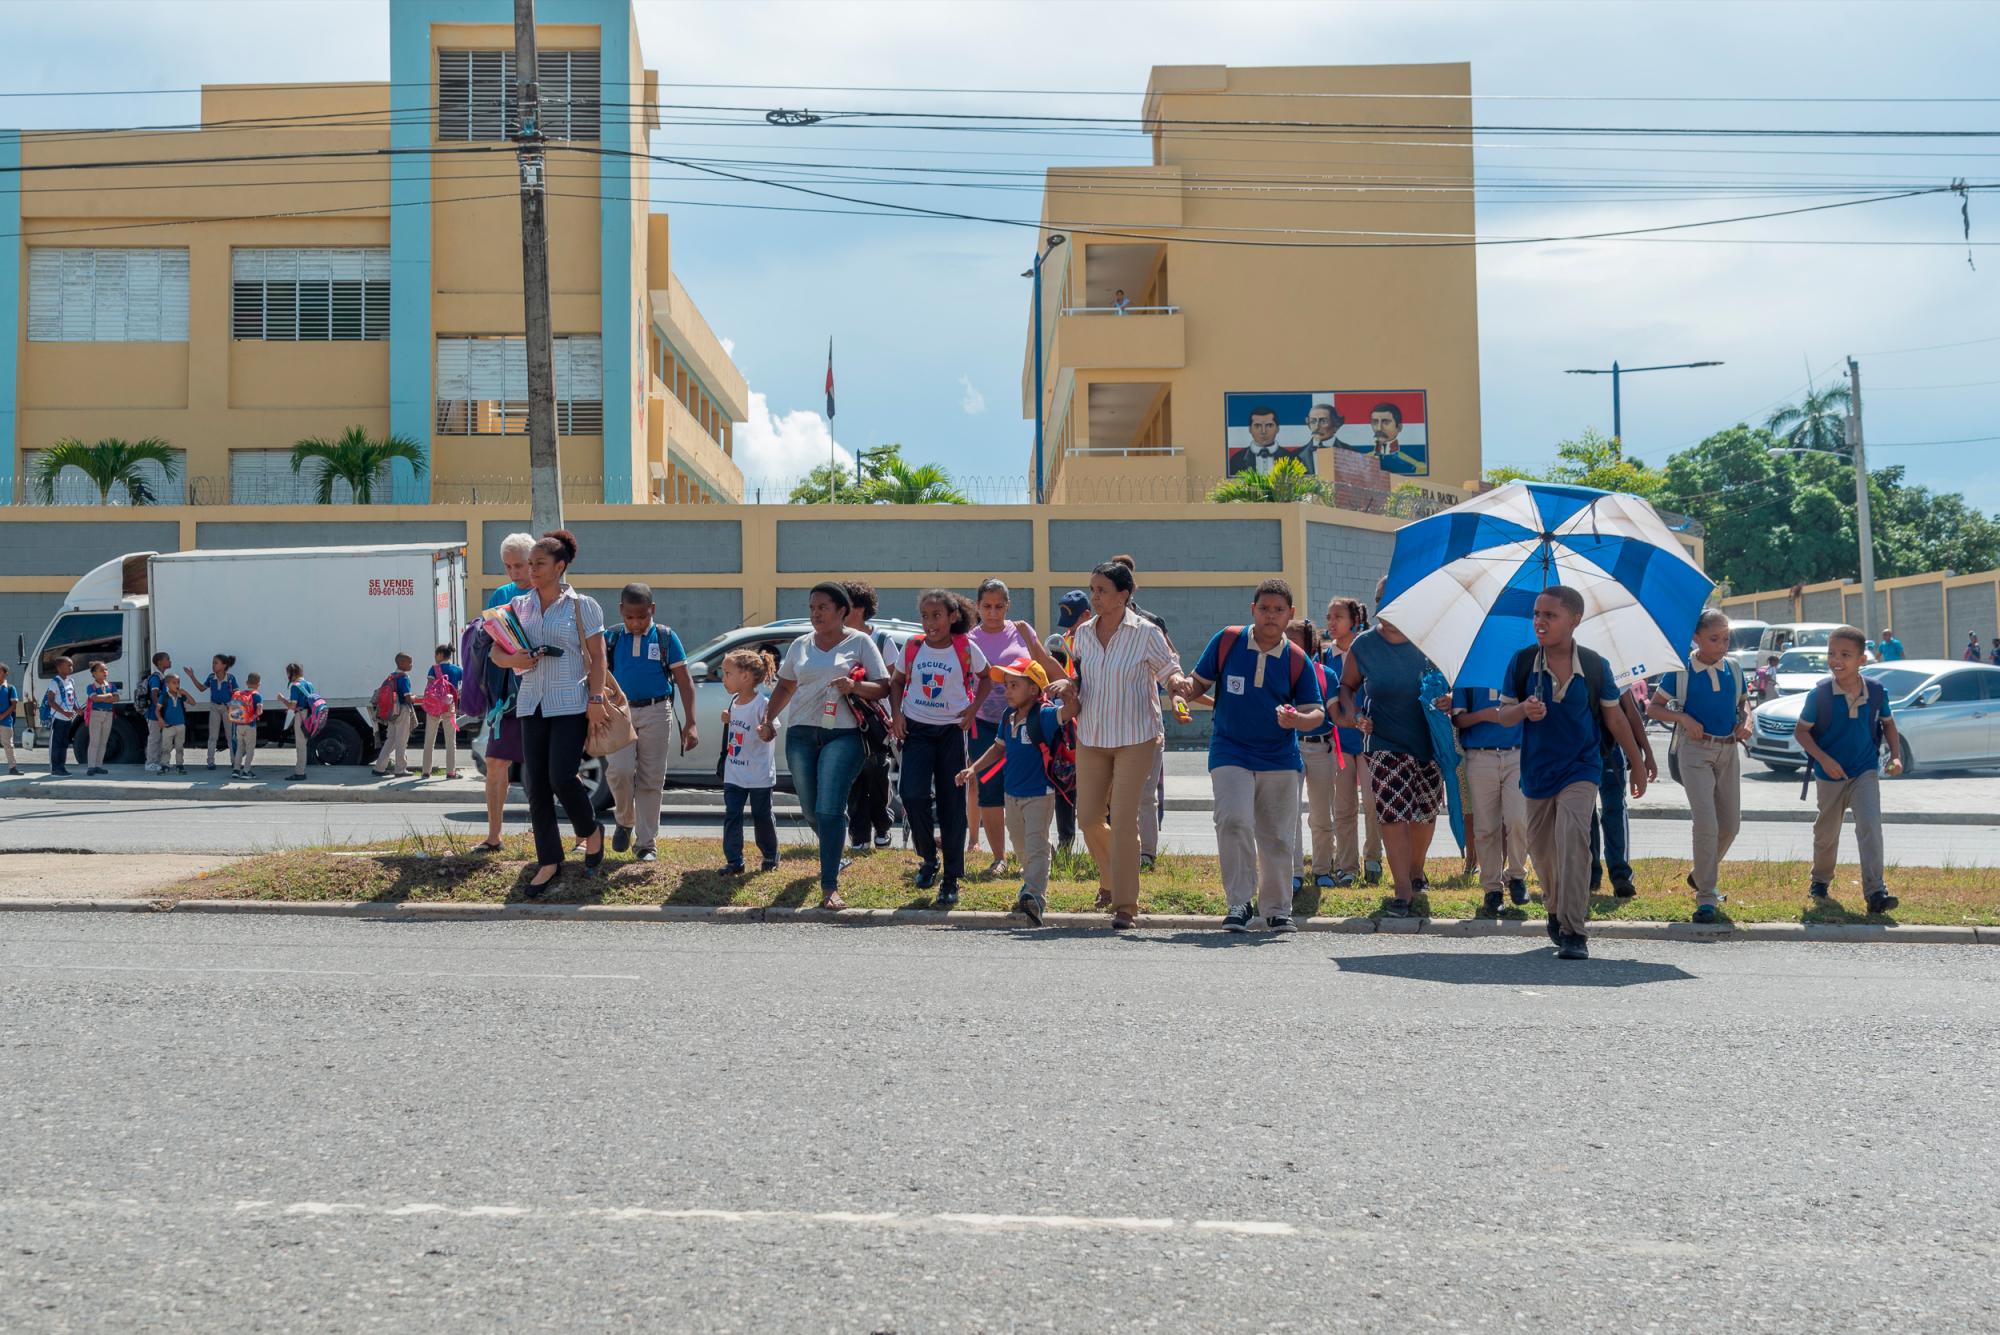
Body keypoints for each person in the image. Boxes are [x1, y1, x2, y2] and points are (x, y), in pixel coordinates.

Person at [1488, 586, 1650, 961]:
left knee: (1575, 838)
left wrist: (1637, 763)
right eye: (1536, 614)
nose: (1540, 621)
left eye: (1550, 615)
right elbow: (1503, 714)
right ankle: (1556, 908)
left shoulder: (1595, 665)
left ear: (1575, 620)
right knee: (1543, 854)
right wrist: (1524, 710)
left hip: (1582, 767)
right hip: (1538, 771)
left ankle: (1575, 930)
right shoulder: (1523, 662)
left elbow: (1614, 716)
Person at [1047, 561, 1190, 930]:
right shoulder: (1082, 634)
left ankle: (1125, 904)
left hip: (1136, 738)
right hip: (1092, 736)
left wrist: (1177, 689)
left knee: (1124, 820)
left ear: (1123, 595)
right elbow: (1078, 676)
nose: (1094, 596)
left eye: (1102, 591)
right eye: (1092, 589)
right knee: (1089, 818)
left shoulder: (1146, 633)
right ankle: (1112, 876)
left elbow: (1169, 669)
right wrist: (1068, 686)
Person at [1182, 578, 1326, 934]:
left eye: (1279, 610)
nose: (1271, 616)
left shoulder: (1296, 659)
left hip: (1279, 757)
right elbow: (1196, 684)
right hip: (1230, 749)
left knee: (1277, 835)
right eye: (1264, 609)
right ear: (1253, 610)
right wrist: (1182, 689)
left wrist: (1297, 719)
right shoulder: (1228, 640)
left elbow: (1317, 713)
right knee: (1233, 820)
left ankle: (1277, 909)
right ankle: (1239, 903)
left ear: (1290, 615)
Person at [490, 530, 609, 896]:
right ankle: (549, 860)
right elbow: (497, 654)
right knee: (534, 785)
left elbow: (599, 656)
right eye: (530, 564)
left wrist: (596, 700)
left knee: (561, 776)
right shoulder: (519, 607)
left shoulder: (582, 605)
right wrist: (515, 659)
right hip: (530, 703)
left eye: (539, 563)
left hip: (571, 703)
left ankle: (590, 830)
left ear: (560, 566)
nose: (531, 569)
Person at [759, 581, 890, 911]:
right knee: (811, 809)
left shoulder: (859, 642)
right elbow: (786, 686)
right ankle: (837, 848)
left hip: (844, 735)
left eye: (823, 608)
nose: (816, 614)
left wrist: (855, 685)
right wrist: (767, 720)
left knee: (831, 808)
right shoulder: (801, 645)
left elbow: (884, 687)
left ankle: (829, 884)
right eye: (812, 608)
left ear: (842, 611)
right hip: (801, 733)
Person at [1336, 584, 1442, 917]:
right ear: (1378, 604)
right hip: (1383, 742)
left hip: (1429, 741)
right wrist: (1355, 715)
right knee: (1392, 812)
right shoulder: (1364, 645)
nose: (1391, 605)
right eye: (1385, 599)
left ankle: (1415, 870)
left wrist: (1451, 700)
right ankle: (1402, 891)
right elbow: (1346, 687)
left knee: (1425, 813)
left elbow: (1453, 682)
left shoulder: (1430, 640)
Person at [1649, 610, 1752, 925]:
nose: (1722, 644)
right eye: (1714, 638)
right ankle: (1706, 898)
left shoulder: (1732, 669)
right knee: (1706, 823)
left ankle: (1700, 874)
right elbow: (1653, 707)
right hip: (1694, 751)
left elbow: (1743, 704)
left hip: (1728, 751)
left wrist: (1746, 720)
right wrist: (1683, 717)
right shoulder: (1680, 672)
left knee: (1730, 826)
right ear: (1696, 637)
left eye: (1725, 638)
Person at [959, 657, 1075, 926]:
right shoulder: (1007, 717)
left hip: (1040, 794)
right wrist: (973, 769)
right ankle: (1030, 882)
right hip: (1011, 794)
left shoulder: (1044, 715)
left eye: (1014, 685)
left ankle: (1035, 896)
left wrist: (1068, 691)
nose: (1007, 690)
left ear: (1034, 689)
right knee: (1021, 844)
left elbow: (1071, 711)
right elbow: (998, 748)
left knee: (1035, 845)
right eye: (1006, 685)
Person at [891, 589, 989, 908]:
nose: (930, 622)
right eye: (925, 616)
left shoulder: (965, 647)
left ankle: (950, 879)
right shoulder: (913, 646)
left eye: (937, 616)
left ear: (952, 617)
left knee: (952, 805)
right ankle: (929, 858)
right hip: (917, 729)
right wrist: (897, 714)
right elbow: (896, 682)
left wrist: (973, 710)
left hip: (951, 730)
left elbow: (987, 678)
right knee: (912, 795)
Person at [1796, 626, 1903, 916]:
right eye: (1831, 653)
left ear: (1862, 660)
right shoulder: (1819, 695)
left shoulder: (1877, 692)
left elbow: (1889, 725)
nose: (1836, 659)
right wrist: (1823, 759)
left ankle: (1875, 891)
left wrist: (1895, 756)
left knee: (1870, 825)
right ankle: (1820, 881)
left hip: (1865, 770)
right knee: (1826, 832)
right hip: (1829, 775)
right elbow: (1802, 732)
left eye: (1845, 654)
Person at [965, 578, 1058, 876]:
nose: (993, 613)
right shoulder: (969, 639)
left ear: (1008, 606)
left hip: (1025, 720)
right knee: (989, 788)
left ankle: (1036, 848)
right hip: (984, 723)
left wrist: (1068, 684)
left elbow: (1043, 663)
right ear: (977, 606)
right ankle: (999, 857)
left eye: (999, 606)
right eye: (987, 607)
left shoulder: (1021, 630)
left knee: (1030, 787)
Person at [604, 583, 697, 864]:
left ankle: (646, 843)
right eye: (629, 617)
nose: (635, 623)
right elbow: (600, 676)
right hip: (620, 713)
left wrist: (690, 722)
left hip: (657, 711)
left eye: (641, 617)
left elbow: (684, 681)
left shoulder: (667, 637)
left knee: (651, 778)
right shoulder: (612, 637)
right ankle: (624, 820)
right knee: (619, 771)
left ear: (652, 610)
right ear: (621, 611)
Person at [1305, 597, 1382, 889]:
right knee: (1343, 807)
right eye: (1328, 617)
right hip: (1339, 742)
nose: (1331, 622)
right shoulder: (1324, 658)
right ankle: (1347, 866)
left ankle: (1373, 858)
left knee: (1373, 804)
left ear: (1355, 620)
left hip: (1371, 740)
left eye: (1338, 616)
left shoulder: (1369, 651)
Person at [1107, 555, 1172, 871]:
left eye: (1125, 583)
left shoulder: (1151, 624)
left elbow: (1170, 662)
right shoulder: (1096, 625)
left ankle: (1147, 854)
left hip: (1144, 721)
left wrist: (1178, 688)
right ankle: (1117, 852)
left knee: (1146, 794)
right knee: (1113, 797)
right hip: (1107, 726)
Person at [474, 531, 537, 853]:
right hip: (508, 700)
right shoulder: (501, 595)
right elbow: (491, 649)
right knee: (496, 763)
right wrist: (514, 659)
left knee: (557, 771)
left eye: (520, 565)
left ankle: (582, 839)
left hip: (545, 698)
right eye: (508, 566)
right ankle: (493, 837)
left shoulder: (551, 595)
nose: (515, 573)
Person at [1448, 674, 1530, 917]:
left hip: (1517, 754)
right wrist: (1485, 715)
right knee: (1486, 827)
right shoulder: (1470, 672)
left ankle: (1516, 875)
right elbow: (1458, 719)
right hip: (1480, 755)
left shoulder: (1522, 668)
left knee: (1518, 819)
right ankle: (1492, 889)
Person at [1589, 675, 1659, 899]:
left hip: (1611, 751)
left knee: (1614, 809)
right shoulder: (1560, 660)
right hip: (1577, 752)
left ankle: (1620, 875)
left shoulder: (1611, 667)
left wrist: (1645, 754)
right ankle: (1589, 873)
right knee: (1583, 812)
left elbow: (1630, 713)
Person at [843, 581, 898, 852]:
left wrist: (896, 717)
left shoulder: (881, 640)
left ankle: (883, 825)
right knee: (853, 776)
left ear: (861, 608)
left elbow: (895, 681)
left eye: (846, 605)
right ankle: (859, 834)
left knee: (876, 772)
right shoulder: (835, 639)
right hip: (845, 718)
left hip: (877, 721)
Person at [719, 647, 781, 876]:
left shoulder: (762, 704)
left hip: (758, 774)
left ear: (745, 676)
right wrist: (728, 718)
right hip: (734, 773)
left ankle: (770, 855)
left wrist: (766, 731)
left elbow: (772, 730)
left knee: (762, 816)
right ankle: (734, 860)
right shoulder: (735, 701)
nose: (723, 678)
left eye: (727, 673)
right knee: (732, 814)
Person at [1045, 589, 1090, 852]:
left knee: (1100, 789)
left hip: (1095, 722)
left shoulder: (1099, 639)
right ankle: (1066, 843)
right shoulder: (1060, 643)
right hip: (1070, 723)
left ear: (1087, 615)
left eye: (1073, 623)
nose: (1070, 630)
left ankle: (1103, 846)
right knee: (1066, 784)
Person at [185, 654, 238, 771]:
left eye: (216, 663)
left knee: (230, 736)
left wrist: (236, 708)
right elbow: (201, 688)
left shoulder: (230, 678)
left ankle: (235, 761)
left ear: (224, 665)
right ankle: (210, 761)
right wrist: (192, 676)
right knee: (213, 736)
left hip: (227, 708)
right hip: (214, 707)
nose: (213, 665)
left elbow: (237, 693)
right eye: (213, 663)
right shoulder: (211, 678)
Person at [421, 645, 464, 779]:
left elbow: (429, 688)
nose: (435, 657)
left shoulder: (433, 669)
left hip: (434, 707)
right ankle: (451, 772)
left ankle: (426, 771)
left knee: (429, 739)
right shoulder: (457, 670)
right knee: (450, 741)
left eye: (435, 654)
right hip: (449, 706)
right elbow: (467, 684)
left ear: (440, 654)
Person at [370, 652, 416, 778]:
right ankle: (400, 769)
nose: (412, 665)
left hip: (391, 712)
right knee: (401, 740)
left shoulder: (391, 676)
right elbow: (407, 698)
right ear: (401, 663)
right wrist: (414, 697)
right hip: (402, 710)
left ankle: (379, 767)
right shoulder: (404, 677)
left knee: (390, 739)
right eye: (409, 662)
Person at [1228, 405, 1292, 476]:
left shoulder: (1292, 459)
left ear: (1277, 429)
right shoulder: (1236, 460)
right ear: (1250, 429)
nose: (1263, 431)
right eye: (1257, 426)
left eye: (1269, 425)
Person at [1368, 402, 1428, 476]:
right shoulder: (1363, 462)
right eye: (1375, 422)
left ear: (1399, 427)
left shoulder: (1416, 467)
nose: (1379, 428)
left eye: (1386, 422)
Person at [43, 658, 77, 776]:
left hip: (67, 718)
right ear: (59, 667)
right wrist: (64, 712)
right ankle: (55, 768)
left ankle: (61, 767)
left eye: (72, 665)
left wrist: (77, 709)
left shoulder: (71, 681)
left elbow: (73, 698)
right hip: (57, 718)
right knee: (56, 744)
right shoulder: (54, 682)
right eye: (68, 665)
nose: (71, 667)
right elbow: (51, 701)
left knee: (64, 744)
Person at [282, 662, 317, 781]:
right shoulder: (309, 684)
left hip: (301, 716)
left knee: (300, 745)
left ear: (292, 673)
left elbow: (292, 705)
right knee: (304, 744)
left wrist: (282, 699)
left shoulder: (295, 686)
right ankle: (301, 770)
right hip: (310, 716)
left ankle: (300, 773)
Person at [83, 661, 118, 775]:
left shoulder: (111, 685)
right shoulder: (91, 687)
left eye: (106, 670)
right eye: (101, 670)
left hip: (108, 714)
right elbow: (94, 698)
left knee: (103, 741)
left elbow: (116, 698)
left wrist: (102, 697)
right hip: (96, 714)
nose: (105, 672)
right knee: (94, 741)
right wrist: (108, 696)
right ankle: (91, 766)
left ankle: (99, 765)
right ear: (94, 673)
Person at [140, 651, 172, 773]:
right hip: (154, 715)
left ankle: (157, 762)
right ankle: (150, 762)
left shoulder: (162, 677)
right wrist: (159, 712)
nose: (170, 661)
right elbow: (154, 695)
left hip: (159, 714)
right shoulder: (156, 678)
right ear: (159, 662)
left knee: (160, 738)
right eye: (167, 659)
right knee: (154, 738)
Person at [231, 674, 264, 778]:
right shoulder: (257, 696)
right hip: (250, 726)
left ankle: (236, 770)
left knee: (240, 748)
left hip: (239, 725)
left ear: (246, 683)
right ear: (258, 684)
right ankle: (246, 771)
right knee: (250, 749)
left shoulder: (239, 694)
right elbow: (259, 712)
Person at [158, 672, 191, 774]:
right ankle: (164, 765)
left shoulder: (181, 696)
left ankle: (179, 765)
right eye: (174, 683)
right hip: (168, 726)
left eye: (178, 682)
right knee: (166, 747)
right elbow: (157, 710)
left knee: (179, 747)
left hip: (180, 725)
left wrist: (185, 693)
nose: (177, 685)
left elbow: (193, 702)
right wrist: (160, 719)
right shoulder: (164, 696)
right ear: (167, 685)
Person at [0, 664, 19, 775]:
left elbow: (14, 705)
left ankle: (13, 768)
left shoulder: (11, 688)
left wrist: (3, 716)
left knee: (8, 745)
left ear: (6, 673)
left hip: (6, 722)